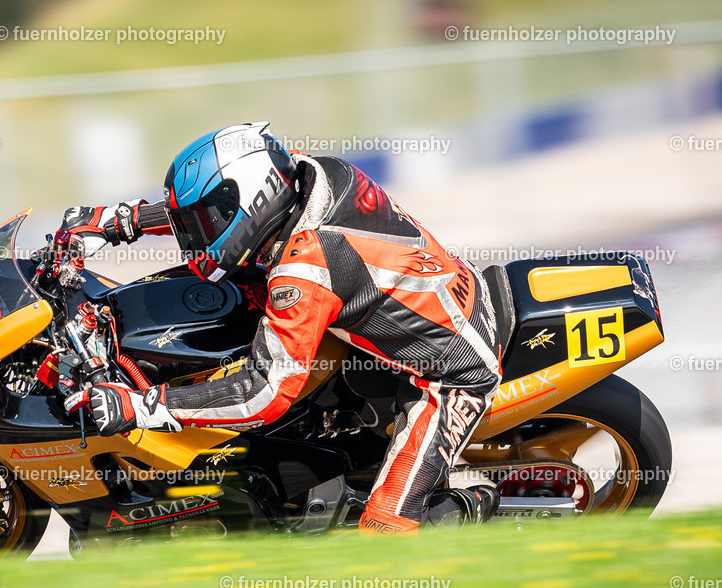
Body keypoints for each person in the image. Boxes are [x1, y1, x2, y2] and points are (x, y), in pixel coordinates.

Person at [60, 122, 502, 534]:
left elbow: (265, 392)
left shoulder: (306, 269)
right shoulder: (306, 173)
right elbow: (220, 201)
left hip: (451, 371)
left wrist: (144, 407)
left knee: (385, 529)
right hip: (419, 305)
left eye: (206, 223)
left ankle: (478, 506)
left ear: (251, 201)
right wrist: (122, 221)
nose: (197, 237)